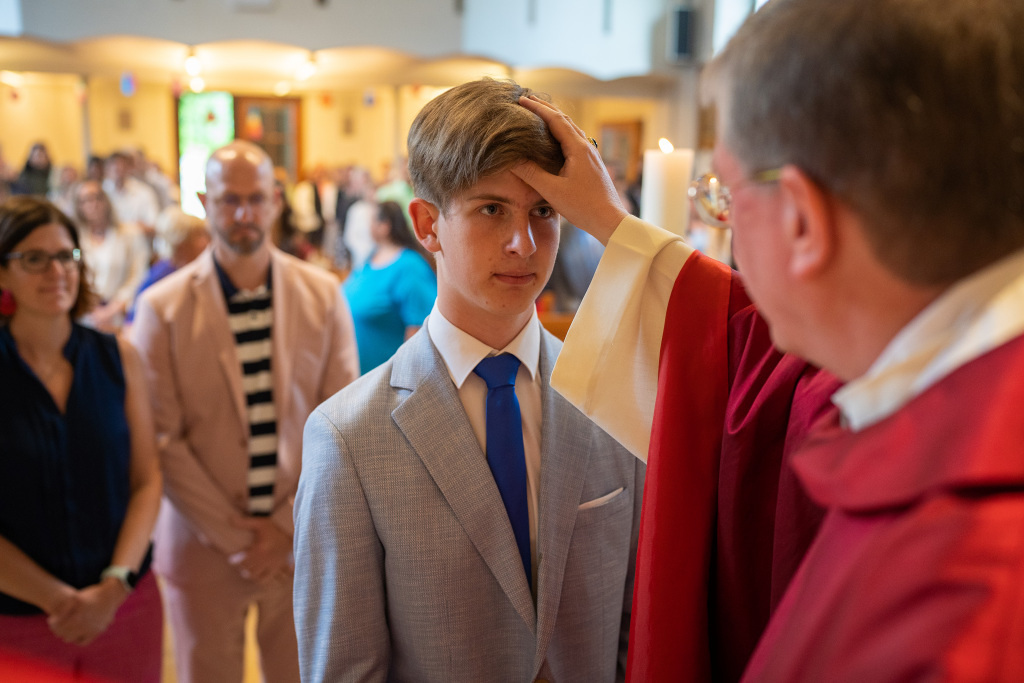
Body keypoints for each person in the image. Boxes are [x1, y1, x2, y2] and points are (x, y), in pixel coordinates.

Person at [511, 0, 1024, 680]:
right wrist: (611, 222)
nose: (723, 226)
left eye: (725, 194)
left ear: (803, 221)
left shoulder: (964, 583)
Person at [294, 78, 644, 682]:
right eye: (491, 210)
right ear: (427, 224)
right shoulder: (348, 438)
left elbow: (636, 631)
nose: (523, 243)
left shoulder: (610, 401)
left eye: (543, 211)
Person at [130, 140, 360, 683]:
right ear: (205, 203)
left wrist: (282, 526)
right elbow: (161, 438)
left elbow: (342, 423)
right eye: (229, 200)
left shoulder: (323, 294)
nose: (243, 214)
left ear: (276, 200)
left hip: (297, 539)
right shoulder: (160, 308)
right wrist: (239, 541)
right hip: (202, 545)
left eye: (255, 199)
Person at [0, 196, 163, 681]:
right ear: (4, 273)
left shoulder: (119, 358)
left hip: (124, 605)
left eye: (65, 256)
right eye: (34, 258)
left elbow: (147, 480)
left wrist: (114, 586)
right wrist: (58, 599)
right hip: (20, 617)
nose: (56, 271)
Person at [342, 200, 436, 373]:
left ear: (384, 226)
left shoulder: (410, 266)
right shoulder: (371, 258)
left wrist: (404, 376)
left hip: (388, 379)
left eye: (371, 221)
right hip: (359, 376)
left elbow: (419, 327)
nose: (366, 227)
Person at [73, 180, 150, 332]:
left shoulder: (130, 234)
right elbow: (75, 270)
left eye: (97, 198)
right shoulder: (77, 240)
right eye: (86, 200)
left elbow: (138, 275)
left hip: (121, 313)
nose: (93, 204)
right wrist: (89, 307)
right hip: (86, 313)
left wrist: (113, 308)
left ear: (106, 200)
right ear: (79, 206)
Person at [125, 206, 211, 324]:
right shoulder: (161, 276)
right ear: (181, 243)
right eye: (199, 235)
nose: (206, 242)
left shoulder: (196, 270)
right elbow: (133, 323)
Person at [103, 151, 160, 239]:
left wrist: (127, 228)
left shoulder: (144, 192)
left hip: (139, 243)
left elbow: (154, 226)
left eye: (121, 168)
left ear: (128, 169)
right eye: (115, 169)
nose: (118, 173)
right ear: (107, 170)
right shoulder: (102, 193)